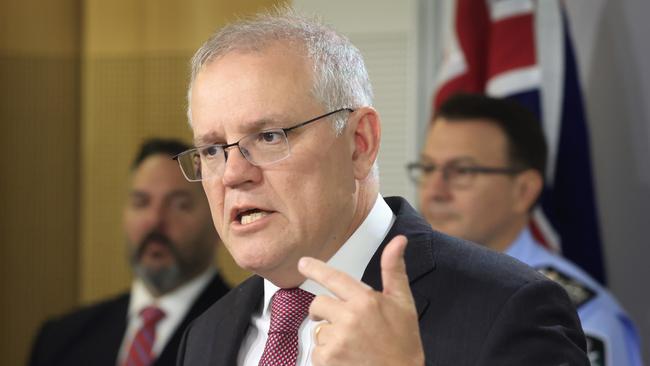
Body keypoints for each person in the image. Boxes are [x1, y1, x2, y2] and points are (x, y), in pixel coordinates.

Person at [175, 8, 589, 366]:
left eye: (267, 137)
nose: (232, 174)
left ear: (360, 143)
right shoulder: (206, 335)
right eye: (212, 150)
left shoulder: (509, 308)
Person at [411, 93, 643, 366]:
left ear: (524, 190)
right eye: (428, 168)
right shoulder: (404, 283)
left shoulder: (577, 317)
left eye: (462, 171)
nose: (434, 191)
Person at [29, 138, 230, 366]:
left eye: (179, 204)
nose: (155, 221)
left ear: (217, 218)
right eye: (141, 202)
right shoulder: (61, 340)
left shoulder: (244, 333)